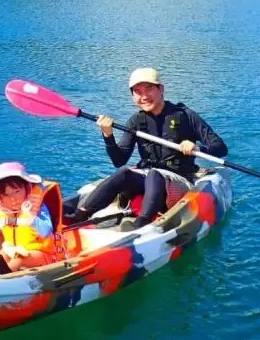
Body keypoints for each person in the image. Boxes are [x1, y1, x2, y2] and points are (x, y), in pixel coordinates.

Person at [70, 67, 227, 230]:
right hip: (148, 179)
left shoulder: (186, 116)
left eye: (149, 89)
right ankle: (79, 215)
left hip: (180, 180)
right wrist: (108, 135)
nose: (144, 96)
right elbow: (119, 160)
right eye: (137, 91)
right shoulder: (136, 121)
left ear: (161, 89)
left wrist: (197, 148)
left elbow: (220, 147)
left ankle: (141, 224)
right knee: (124, 172)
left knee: (155, 174)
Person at [0, 162, 63, 275]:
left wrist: (31, 218)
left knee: (20, 259)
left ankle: (4, 273)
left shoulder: (37, 208)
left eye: (17, 191)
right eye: (6, 195)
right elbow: (14, 226)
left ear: (27, 187)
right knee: (0, 255)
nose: (13, 199)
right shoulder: (7, 210)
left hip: (43, 254)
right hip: (16, 249)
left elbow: (46, 231)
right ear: (0, 196)